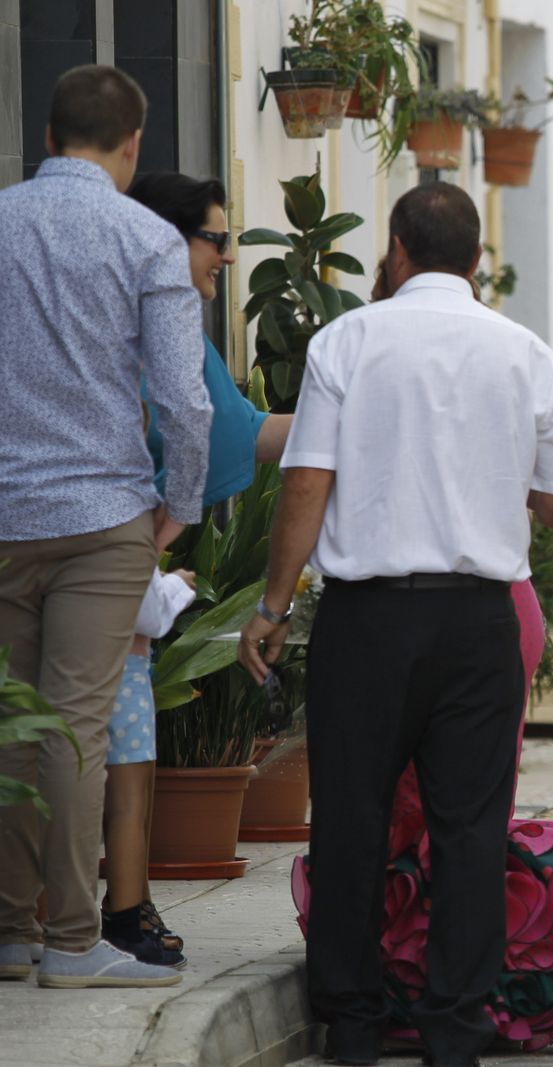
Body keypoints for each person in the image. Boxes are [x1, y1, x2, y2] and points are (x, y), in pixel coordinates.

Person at [236, 183, 553, 1066]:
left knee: (349, 814)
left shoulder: (348, 339)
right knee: (470, 825)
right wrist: (502, 481)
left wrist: (270, 603)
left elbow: (307, 482)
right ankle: (456, 1023)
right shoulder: (524, 352)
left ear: (397, 248)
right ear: (478, 260)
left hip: (368, 618)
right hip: (480, 622)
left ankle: (353, 1019)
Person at [0, 65, 210, 990]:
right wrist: (185, 505)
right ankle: (76, 941)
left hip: (4, 513)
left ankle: (8, 932)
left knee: (11, 721)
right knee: (75, 724)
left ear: (48, 139)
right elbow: (185, 400)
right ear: (131, 148)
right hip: (102, 517)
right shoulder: (145, 237)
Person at [85, 173, 295, 968]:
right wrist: (159, 532)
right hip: (109, 556)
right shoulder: (159, 325)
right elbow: (201, 430)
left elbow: (233, 429)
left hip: (63, 547)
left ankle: (92, 909)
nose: (227, 259)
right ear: (165, 239)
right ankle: (119, 911)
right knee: (115, 737)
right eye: (215, 239)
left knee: (84, 733)